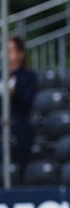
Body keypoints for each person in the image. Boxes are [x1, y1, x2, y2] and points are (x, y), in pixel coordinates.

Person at [1, 36, 38, 168]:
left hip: (18, 127)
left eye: (10, 50)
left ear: (20, 53)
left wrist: (14, 94)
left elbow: (27, 102)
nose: (7, 54)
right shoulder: (2, 75)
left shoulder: (28, 77)